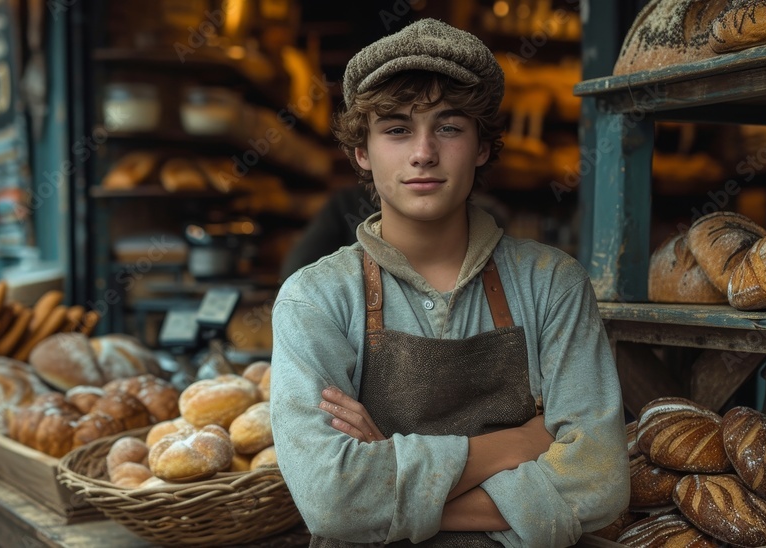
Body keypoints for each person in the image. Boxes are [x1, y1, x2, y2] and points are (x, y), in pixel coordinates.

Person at [269, 18, 629, 547]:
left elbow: (600, 484)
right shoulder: (315, 298)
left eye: (449, 127)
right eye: (396, 129)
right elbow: (332, 499)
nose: (423, 153)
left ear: (481, 146)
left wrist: (392, 481)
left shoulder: (552, 284)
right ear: (361, 153)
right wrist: (516, 443)